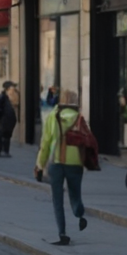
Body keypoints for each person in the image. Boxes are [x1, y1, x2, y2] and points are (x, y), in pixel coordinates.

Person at [36, 87, 88, 245]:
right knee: (75, 194)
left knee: (57, 200)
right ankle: (79, 214)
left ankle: (62, 233)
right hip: (75, 163)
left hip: (57, 162)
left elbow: (45, 142)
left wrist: (40, 164)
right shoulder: (79, 118)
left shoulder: (53, 115)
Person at [0, 83, 19, 158]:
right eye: (12, 89)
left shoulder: (7, 98)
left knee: (5, 135)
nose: (13, 91)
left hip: (7, 120)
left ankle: (4, 151)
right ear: (8, 89)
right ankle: (2, 151)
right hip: (4, 120)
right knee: (3, 135)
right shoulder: (2, 98)